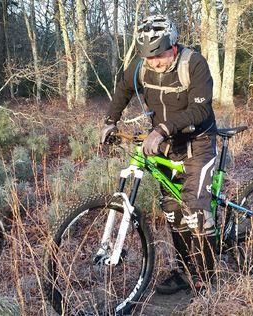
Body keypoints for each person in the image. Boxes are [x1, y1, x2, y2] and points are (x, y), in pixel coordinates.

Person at [100, 15, 218, 295]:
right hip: (166, 145)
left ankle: (207, 278)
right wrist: (110, 120)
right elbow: (123, 88)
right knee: (173, 213)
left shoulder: (194, 64)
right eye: (149, 58)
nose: (155, 62)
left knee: (196, 214)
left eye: (160, 55)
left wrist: (162, 129)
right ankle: (183, 270)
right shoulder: (142, 66)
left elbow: (201, 110)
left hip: (197, 142)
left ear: (173, 44)